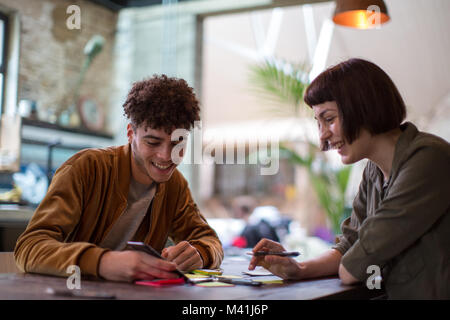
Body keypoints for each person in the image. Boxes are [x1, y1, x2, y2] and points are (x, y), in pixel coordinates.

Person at [248, 58, 450, 299]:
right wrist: (298, 269)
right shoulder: (374, 171)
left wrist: (352, 261)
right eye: (319, 122)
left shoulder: (428, 159)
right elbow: (349, 247)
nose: (322, 136)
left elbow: (354, 266)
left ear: (363, 107)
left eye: (329, 119)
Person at [15, 75, 224, 282]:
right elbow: (30, 247)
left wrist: (200, 253)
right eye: (152, 142)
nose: (166, 156)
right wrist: (102, 262)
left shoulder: (174, 185)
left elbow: (209, 240)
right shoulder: (85, 169)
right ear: (131, 133)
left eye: (177, 143)